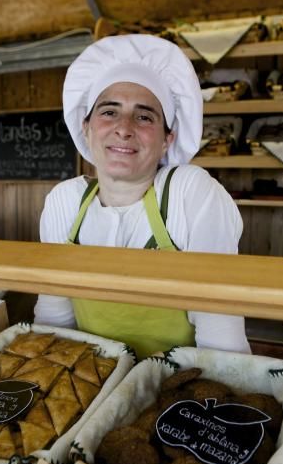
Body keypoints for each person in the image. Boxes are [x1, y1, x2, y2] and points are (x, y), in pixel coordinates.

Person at [34, 34, 251, 359]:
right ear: (86, 127)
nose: (124, 128)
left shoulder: (188, 193)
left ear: (167, 139)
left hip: (178, 390)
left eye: (144, 116)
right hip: (95, 384)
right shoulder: (65, 202)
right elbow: (54, 321)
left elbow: (221, 335)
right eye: (109, 112)